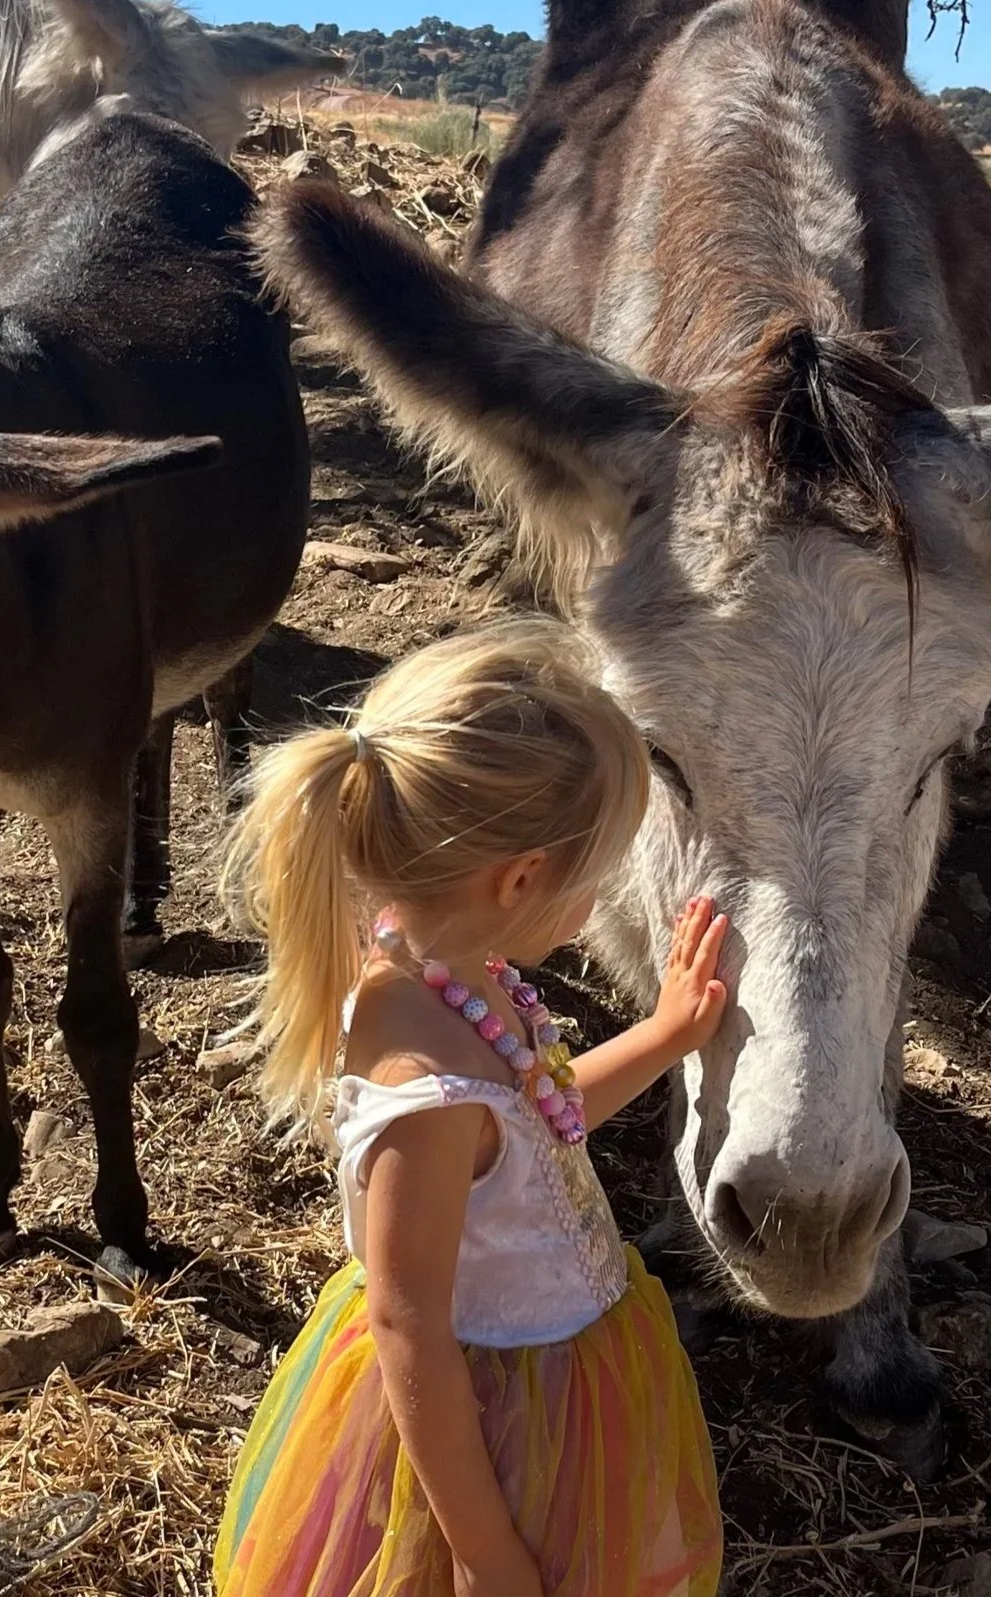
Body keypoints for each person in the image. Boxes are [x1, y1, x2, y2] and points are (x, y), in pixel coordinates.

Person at [213, 620, 728, 1597]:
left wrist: (663, 1036)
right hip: (488, 1424)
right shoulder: (427, 1095)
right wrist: (486, 1553)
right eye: (594, 879)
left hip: (543, 1369)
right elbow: (412, 1328)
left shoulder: (437, 965)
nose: (590, 906)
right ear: (522, 878)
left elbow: (543, 1116)